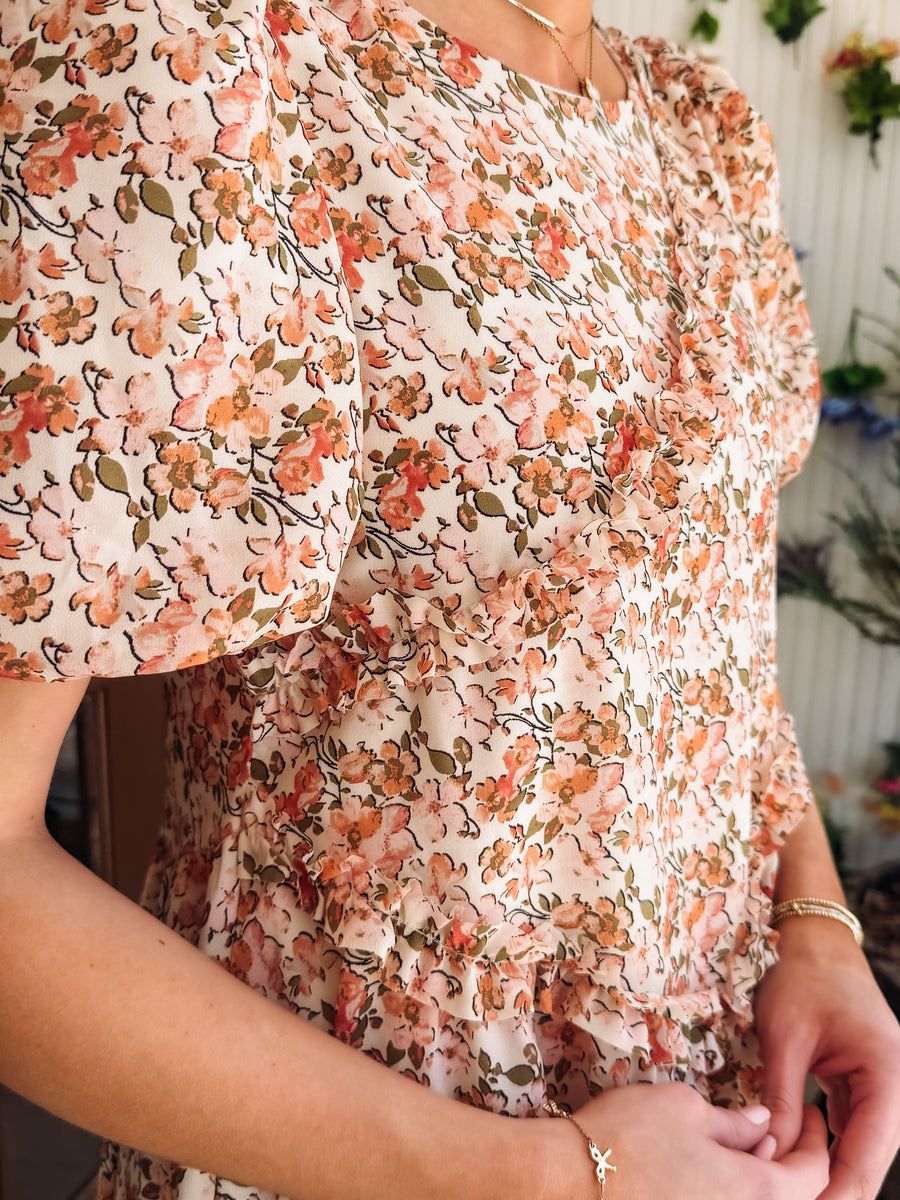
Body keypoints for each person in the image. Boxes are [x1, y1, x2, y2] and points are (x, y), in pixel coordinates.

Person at [1, 0, 899, 1195]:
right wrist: (554, 1178)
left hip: (718, 1125)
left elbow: (698, 623)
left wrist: (816, 921)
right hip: (363, 1145)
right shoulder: (206, 69)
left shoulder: (698, 128)